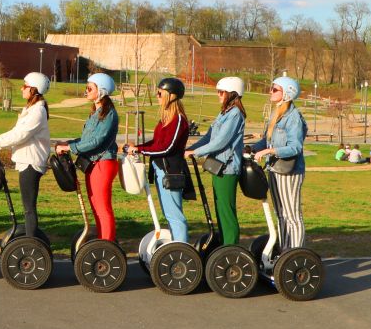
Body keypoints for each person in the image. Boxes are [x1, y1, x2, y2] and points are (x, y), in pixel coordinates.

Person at [0, 72, 51, 240]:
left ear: (34, 89)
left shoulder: (38, 111)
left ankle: (31, 243)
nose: (21, 88)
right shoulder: (31, 109)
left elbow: (21, 134)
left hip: (32, 163)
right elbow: (16, 132)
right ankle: (31, 239)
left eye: (25, 86)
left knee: (29, 207)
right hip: (27, 161)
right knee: (27, 206)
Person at [55, 73, 119, 242]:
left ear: (102, 90)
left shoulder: (109, 114)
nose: (87, 90)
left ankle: (107, 244)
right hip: (94, 164)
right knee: (95, 207)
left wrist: (70, 147)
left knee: (103, 207)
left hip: (103, 163)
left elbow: (97, 141)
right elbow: (87, 140)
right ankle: (102, 240)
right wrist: (69, 142)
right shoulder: (96, 112)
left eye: (90, 88)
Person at [184, 77, 246, 246]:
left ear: (232, 93)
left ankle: (231, 248)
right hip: (217, 167)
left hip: (227, 168)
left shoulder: (235, 115)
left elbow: (221, 142)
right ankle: (224, 247)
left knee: (226, 211)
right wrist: (189, 149)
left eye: (221, 92)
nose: (218, 95)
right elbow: (209, 137)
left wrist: (195, 152)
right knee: (220, 210)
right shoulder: (224, 112)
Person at [129, 77, 191, 243]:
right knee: (169, 214)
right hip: (160, 169)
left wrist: (140, 149)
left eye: (159, 93)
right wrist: (137, 146)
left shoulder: (178, 120)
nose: (157, 96)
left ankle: (182, 252)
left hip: (171, 172)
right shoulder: (166, 120)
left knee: (175, 216)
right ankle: (176, 246)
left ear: (171, 96)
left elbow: (167, 148)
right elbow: (157, 143)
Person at [251, 76, 308, 250]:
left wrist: (270, 151)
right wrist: (250, 149)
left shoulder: (293, 117)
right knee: (281, 214)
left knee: (292, 215)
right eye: (271, 88)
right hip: (274, 168)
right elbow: (266, 140)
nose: (270, 91)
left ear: (287, 93)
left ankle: (296, 254)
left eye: (275, 89)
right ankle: (285, 251)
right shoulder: (276, 114)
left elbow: (295, 147)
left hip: (290, 171)